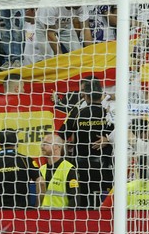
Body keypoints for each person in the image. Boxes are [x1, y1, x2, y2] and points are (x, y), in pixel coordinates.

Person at [59, 77, 114, 207]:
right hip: (84, 162)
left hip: (106, 163)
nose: (83, 93)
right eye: (82, 90)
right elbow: (63, 133)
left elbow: (124, 132)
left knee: (100, 199)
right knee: (86, 198)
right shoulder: (77, 108)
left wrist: (109, 139)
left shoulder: (112, 108)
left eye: (84, 90)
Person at [0, 130, 38, 209]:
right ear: (16, 143)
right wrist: (37, 205)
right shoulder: (25, 161)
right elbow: (41, 182)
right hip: (19, 213)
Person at [36, 133, 84, 209]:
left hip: (61, 217)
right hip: (43, 216)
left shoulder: (69, 169)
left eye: (45, 144)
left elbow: (74, 198)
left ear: (56, 147)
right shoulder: (41, 169)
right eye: (42, 144)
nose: (42, 147)